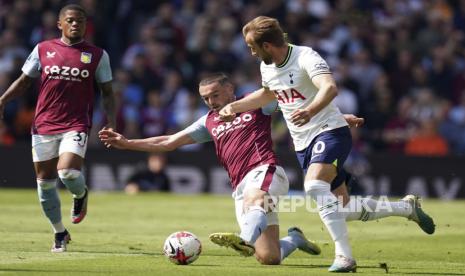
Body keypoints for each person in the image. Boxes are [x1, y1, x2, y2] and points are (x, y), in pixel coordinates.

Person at [219, 16, 435, 272]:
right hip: (303, 144)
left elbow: (330, 88)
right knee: (340, 209)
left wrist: (311, 111)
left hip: (330, 133)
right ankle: (405, 207)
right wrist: (235, 105)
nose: (250, 51)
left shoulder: (305, 57)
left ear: (267, 45)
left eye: (252, 46)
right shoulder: (267, 67)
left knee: (314, 186)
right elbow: (269, 94)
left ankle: (345, 257)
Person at [99, 73, 362, 265]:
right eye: (205, 98)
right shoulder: (208, 122)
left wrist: (335, 119)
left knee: (255, 199)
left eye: (215, 95)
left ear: (229, 89)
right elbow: (168, 141)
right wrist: (127, 143)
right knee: (269, 257)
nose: (211, 101)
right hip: (240, 186)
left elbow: (291, 100)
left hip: (265, 170)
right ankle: (294, 239)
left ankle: (243, 239)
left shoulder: (256, 103)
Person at [0, 4, 116, 253]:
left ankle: (80, 194)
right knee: (45, 185)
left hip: (76, 123)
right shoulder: (43, 49)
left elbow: (107, 92)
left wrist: (112, 122)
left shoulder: (97, 55)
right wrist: (2, 100)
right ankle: (59, 232)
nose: (76, 25)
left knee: (69, 173)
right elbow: (24, 82)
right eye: (71, 20)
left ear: (86, 25)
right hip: (43, 124)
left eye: (81, 21)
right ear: (60, 24)